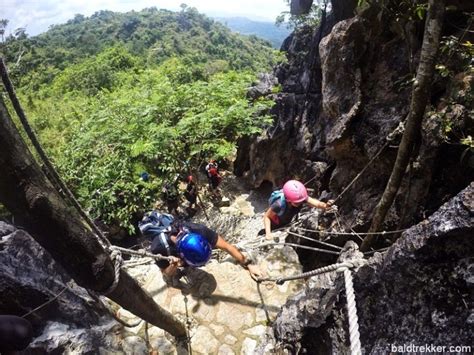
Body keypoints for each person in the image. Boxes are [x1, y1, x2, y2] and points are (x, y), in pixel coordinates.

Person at [148, 217, 264, 288]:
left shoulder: (200, 231)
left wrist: (248, 264)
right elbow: (166, 274)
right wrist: (173, 265)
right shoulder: (159, 248)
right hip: (170, 254)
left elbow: (227, 247)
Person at [262, 179, 336, 240]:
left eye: (301, 201)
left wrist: (326, 205)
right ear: (288, 200)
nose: (300, 203)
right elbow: (267, 217)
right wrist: (268, 233)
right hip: (276, 224)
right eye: (297, 202)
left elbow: (316, 203)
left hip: (286, 220)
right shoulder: (278, 204)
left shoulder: (299, 198)